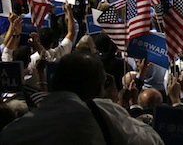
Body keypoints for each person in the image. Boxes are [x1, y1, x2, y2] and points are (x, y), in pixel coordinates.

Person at [0, 52, 163, 145]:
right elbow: (152, 141)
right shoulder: (106, 114)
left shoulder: (12, 132)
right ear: (99, 89)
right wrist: (113, 104)